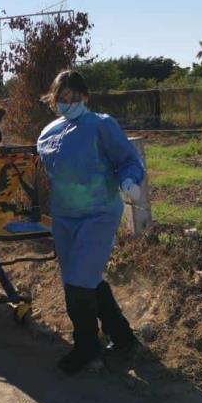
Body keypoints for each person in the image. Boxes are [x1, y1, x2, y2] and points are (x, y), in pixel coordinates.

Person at [37, 70, 145, 375]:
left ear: (85, 96)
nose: (68, 103)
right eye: (62, 98)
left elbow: (128, 160)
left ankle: (87, 348)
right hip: (64, 217)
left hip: (98, 213)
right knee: (85, 278)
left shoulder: (102, 125)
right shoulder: (47, 133)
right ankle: (123, 337)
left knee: (78, 282)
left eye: (74, 97)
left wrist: (129, 181)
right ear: (54, 99)